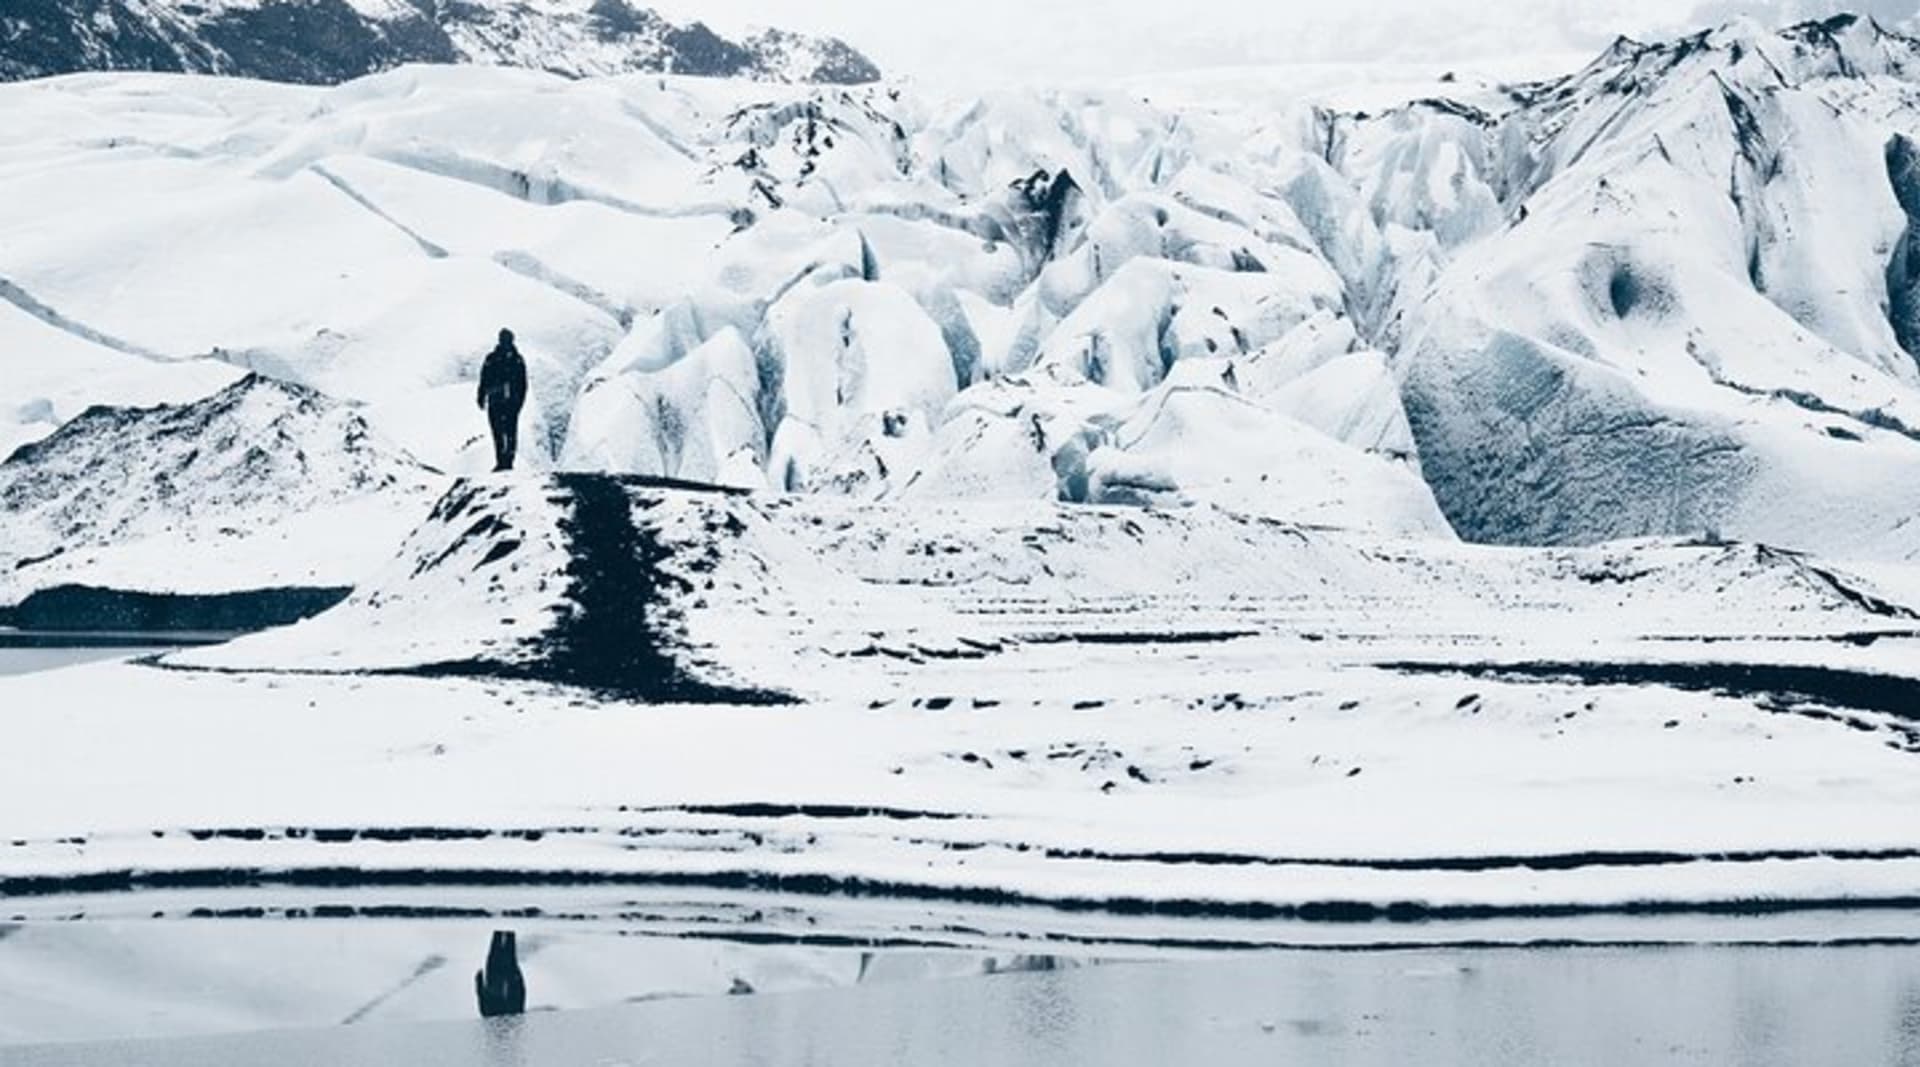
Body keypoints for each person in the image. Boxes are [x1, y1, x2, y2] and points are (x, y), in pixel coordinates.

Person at [477, 328, 528, 472]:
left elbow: (522, 384)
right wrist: (481, 396)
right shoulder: (498, 359)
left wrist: (518, 402)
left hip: (507, 401)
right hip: (499, 400)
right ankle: (502, 461)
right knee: (500, 432)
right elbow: (484, 378)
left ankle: (507, 462)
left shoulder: (513, 359)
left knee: (507, 432)